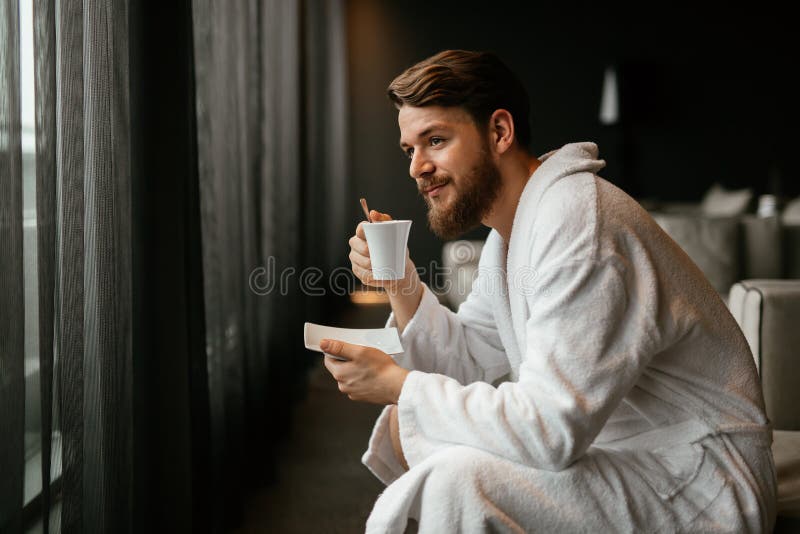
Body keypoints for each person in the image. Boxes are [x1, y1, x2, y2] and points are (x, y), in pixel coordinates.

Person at [319, 50, 776, 533]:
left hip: (701, 479)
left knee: (458, 480)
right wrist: (402, 283)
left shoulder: (579, 223)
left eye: (435, 140)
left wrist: (401, 386)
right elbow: (472, 357)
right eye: (409, 149)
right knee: (428, 434)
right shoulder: (508, 237)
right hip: (629, 453)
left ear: (499, 132)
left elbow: (552, 431)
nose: (417, 167)